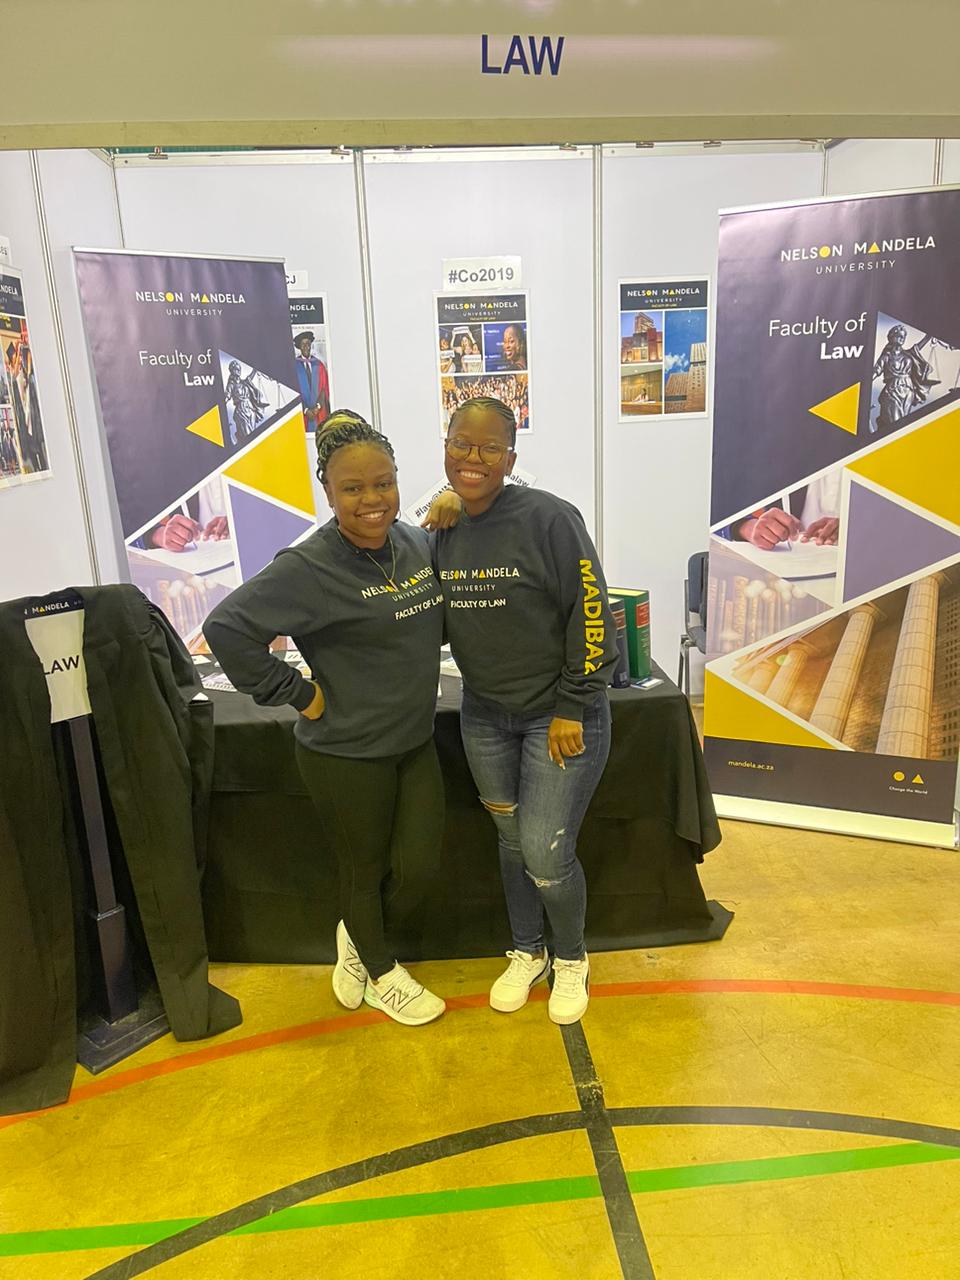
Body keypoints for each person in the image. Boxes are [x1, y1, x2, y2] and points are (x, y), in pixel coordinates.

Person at [204, 411, 461, 1027]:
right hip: (343, 752)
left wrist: (457, 502)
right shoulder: (309, 566)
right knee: (362, 870)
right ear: (328, 491)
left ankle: (357, 938)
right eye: (353, 488)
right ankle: (382, 974)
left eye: (384, 482)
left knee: (419, 868)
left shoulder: (415, 543)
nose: (372, 499)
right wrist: (297, 693)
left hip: (413, 741)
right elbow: (226, 627)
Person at [434, 397, 618, 1025]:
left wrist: (573, 704)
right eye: (462, 443)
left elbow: (590, 610)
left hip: (557, 718)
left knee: (544, 850)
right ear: (446, 446)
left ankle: (571, 957)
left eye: (490, 447)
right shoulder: (442, 527)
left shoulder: (549, 518)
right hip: (485, 717)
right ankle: (527, 950)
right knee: (511, 842)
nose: (473, 457)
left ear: (511, 459)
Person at [720, 471, 842, 548]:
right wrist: (745, 526)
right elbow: (717, 504)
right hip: (785, 561)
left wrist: (851, 528)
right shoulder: (786, 450)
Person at [293, 331, 331, 429]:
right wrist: (306, 410)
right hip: (301, 413)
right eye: (303, 344)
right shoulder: (294, 367)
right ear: (299, 347)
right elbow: (293, 392)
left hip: (319, 413)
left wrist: (317, 408)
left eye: (308, 344)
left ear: (311, 346)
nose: (306, 347)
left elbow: (324, 389)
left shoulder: (319, 365)